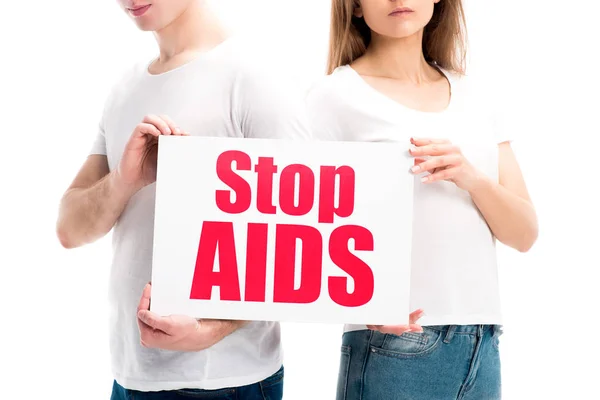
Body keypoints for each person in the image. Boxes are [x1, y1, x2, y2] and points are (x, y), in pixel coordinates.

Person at [55, 1, 309, 399]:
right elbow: (70, 229)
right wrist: (124, 181)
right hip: (130, 376)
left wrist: (212, 330)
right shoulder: (126, 87)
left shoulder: (255, 77)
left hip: (223, 382)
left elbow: (303, 242)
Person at [305, 0, 539, 399]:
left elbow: (524, 234)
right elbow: (298, 229)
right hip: (393, 345)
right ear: (356, 7)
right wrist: (366, 310)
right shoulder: (332, 97)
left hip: (481, 340)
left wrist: (470, 177)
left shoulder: (475, 94)